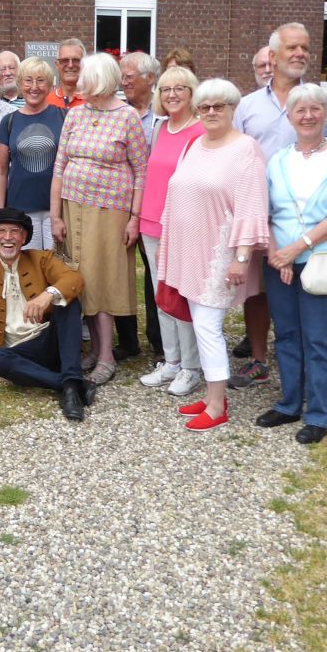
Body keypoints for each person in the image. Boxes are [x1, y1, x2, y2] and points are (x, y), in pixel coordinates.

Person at [157, 78, 269, 431]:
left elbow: (252, 205)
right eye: (204, 107)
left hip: (218, 251)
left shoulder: (246, 149)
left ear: (232, 109)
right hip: (188, 249)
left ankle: (218, 405)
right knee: (199, 322)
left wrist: (242, 256)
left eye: (218, 106)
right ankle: (210, 395)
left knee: (208, 327)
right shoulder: (195, 144)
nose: (210, 112)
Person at [231, 22, 327, 381]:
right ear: (273, 56)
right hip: (258, 214)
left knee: (307, 287)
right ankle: (259, 359)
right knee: (257, 290)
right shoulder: (247, 106)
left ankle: (304, 362)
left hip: (307, 218)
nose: (300, 54)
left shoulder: (319, 103)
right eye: (293, 48)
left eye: (305, 48)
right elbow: (236, 158)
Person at [256, 84, 327, 444]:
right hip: (280, 262)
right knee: (286, 334)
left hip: (321, 260)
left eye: (315, 109)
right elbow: (267, 212)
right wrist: (276, 254)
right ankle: (288, 404)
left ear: (325, 114)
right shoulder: (278, 160)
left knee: (318, 338)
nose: (308, 116)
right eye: (300, 110)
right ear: (290, 117)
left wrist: (296, 248)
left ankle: (317, 414)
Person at [50, 52, 149, 385]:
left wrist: (135, 218)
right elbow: (60, 166)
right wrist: (55, 216)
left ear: (102, 82)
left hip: (109, 212)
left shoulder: (127, 117)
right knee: (81, 278)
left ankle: (106, 355)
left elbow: (141, 171)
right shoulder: (76, 114)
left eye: (87, 81)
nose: (82, 86)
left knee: (102, 279)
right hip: (72, 207)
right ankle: (94, 348)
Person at [0, 208, 96, 421]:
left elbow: (74, 279)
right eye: (1, 231)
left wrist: (47, 295)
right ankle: (71, 385)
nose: (8, 237)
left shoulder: (41, 259)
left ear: (24, 237)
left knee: (68, 302)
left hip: (50, 340)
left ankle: (70, 382)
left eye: (15, 231)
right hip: (18, 352)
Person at [136, 65, 202, 396]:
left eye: (179, 89)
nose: (172, 95)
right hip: (151, 221)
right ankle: (171, 361)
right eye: (165, 89)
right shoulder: (160, 127)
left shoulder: (199, 131)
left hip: (181, 224)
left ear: (192, 93)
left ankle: (191, 367)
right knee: (161, 296)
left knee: (180, 297)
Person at [118, 50, 164, 360]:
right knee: (121, 270)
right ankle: (127, 340)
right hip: (122, 203)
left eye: (129, 77)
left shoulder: (164, 113)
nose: (124, 82)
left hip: (155, 205)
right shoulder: (119, 111)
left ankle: (159, 341)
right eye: (122, 77)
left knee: (154, 272)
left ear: (149, 79)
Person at [0, 57, 62, 249]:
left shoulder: (63, 117)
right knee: (27, 264)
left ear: (50, 85)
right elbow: (1, 171)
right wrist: (0, 213)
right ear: (20, 83)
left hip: (56, 210)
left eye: (40, 81)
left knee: (55, 263)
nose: (34, 87)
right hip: (20, 210)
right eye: (28, 80)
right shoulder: (9, 121)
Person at [48, 38, 87, 110]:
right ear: (57, 65)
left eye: (76, 60)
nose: (70, 65)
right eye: (65, 60)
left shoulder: (94, 102)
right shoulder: (46, 101)